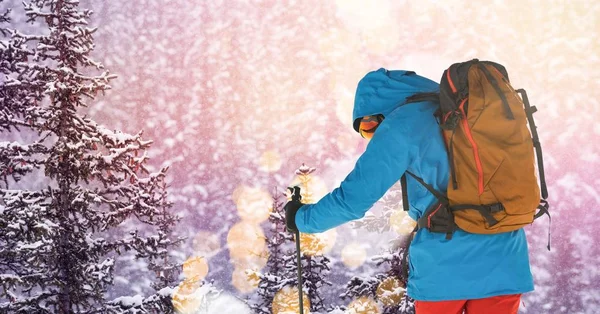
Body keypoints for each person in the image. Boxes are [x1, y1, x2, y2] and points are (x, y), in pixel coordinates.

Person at [284, 68, 533, 314]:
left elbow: (352, 201)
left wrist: (301, 218)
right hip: (507, 257)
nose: (372, 135)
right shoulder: (463, 111)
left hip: (445, 266)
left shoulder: (400, 125)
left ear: (382, 111)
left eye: (369, 125)